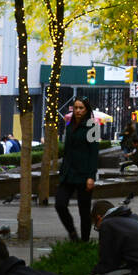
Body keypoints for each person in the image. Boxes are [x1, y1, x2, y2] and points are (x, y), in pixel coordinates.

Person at [55, 98, 99, 242]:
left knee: (84, 211)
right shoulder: (70, 125)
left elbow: (94, 153)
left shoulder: (93, 126)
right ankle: (72, 233)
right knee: (60, 204)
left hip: (84, 174)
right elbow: (67, 150)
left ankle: (84, 242)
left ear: (86, 110)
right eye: (76, 107)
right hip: (68, 173)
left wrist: (91, 176)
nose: (78, 110)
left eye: (81, 108)